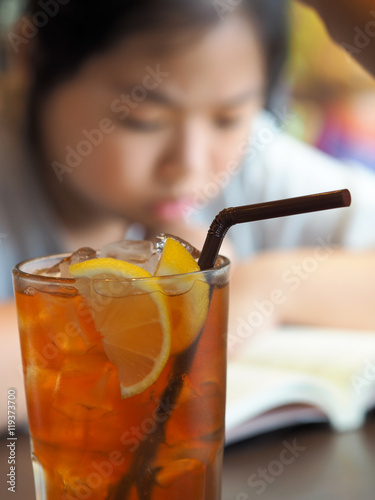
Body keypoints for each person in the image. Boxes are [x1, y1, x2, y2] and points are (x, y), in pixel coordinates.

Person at [1, 0, 375, 430]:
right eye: (142, 119)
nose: (191, 165)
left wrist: (270, 287)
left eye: (230, 117)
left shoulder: (251, 159)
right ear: (30, 57)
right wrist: (145, 301)